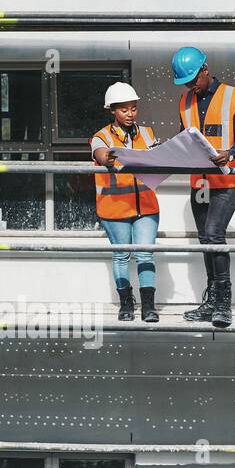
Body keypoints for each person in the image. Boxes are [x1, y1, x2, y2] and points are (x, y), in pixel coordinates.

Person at [172, 46, 235, 328]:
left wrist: (229, 153)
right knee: (205, 239)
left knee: (215, 234)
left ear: (205, 70)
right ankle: (211, 302)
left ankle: (223, 304)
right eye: (186, 83)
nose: (191, 87)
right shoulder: (185, 102)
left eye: (193, 80)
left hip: (228, 179)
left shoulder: (233, 96)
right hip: (201, 181)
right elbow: (185, 137)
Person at [90, 82, 160, 323]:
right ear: (112, 111)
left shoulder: (149, 134)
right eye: (124, 110)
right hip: (114, 207)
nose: (130, 114)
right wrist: (107, 157)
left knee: (145, 254)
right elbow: (99, 153)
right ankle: (126, 305)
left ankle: (149, 306)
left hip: (146, 206)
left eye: (133, 108)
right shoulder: (102, 136)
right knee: (121, 256)